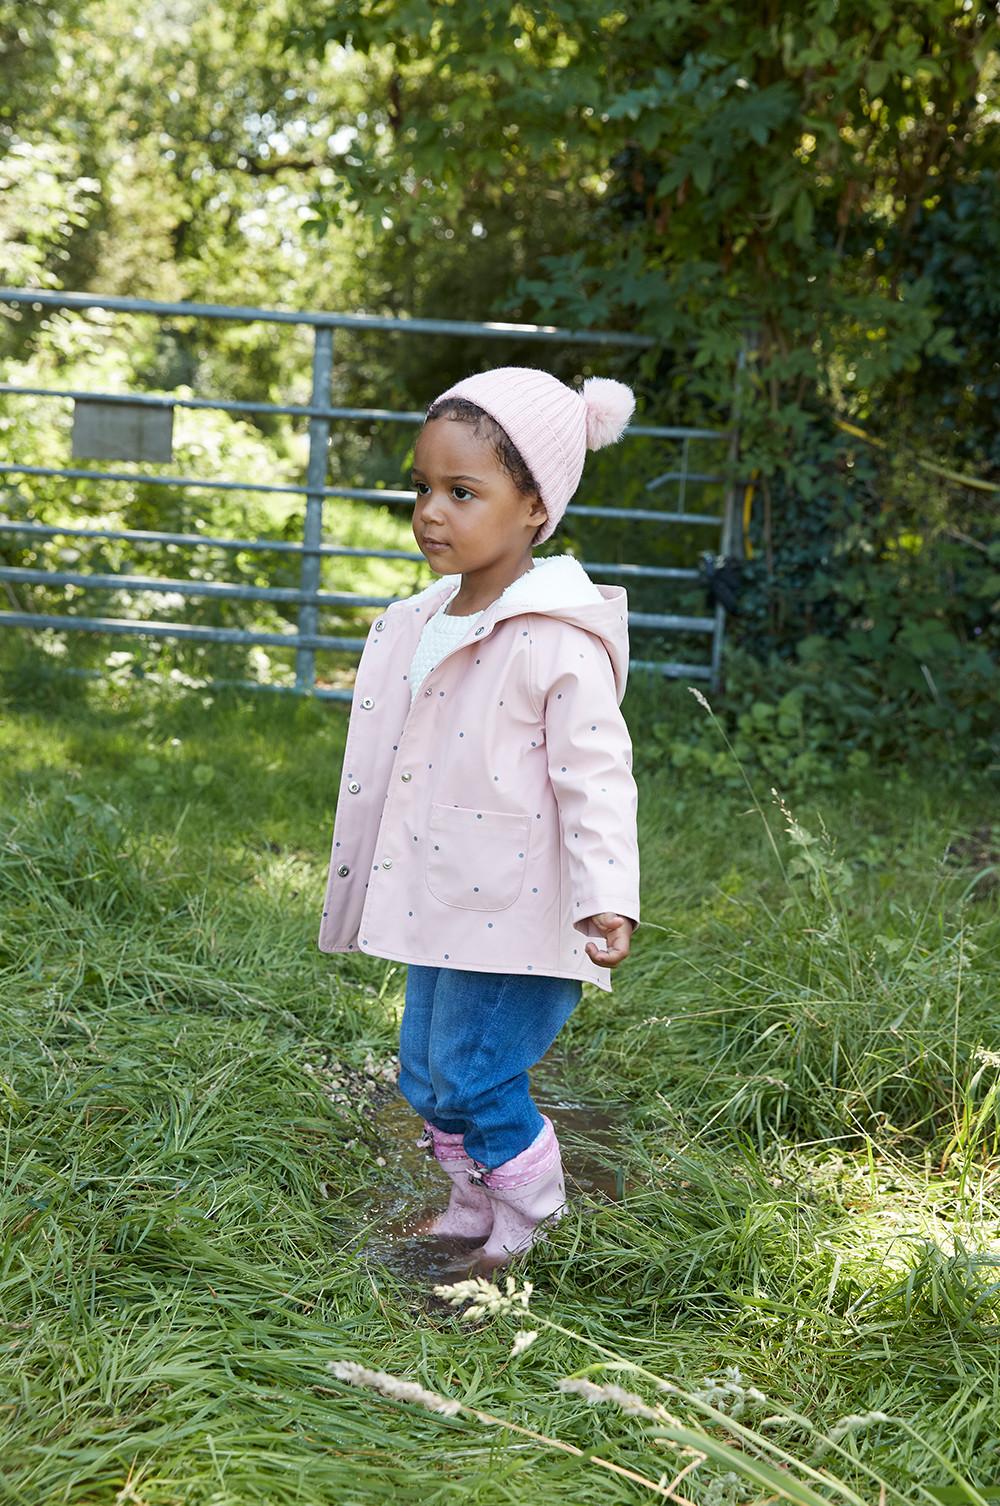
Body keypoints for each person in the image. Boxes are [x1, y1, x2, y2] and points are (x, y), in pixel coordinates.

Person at [318, 365, 641, 1270]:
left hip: (523, 906)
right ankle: (469, 1201)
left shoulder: (553, 637)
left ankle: (529, 1219)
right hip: (442, 899)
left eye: (464, 492)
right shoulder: (423, 619)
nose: (431, 511)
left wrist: (606, 892)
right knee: (425, 1071)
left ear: (536, 507)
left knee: (474, 1072)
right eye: (422, 488)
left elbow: (597, 778)